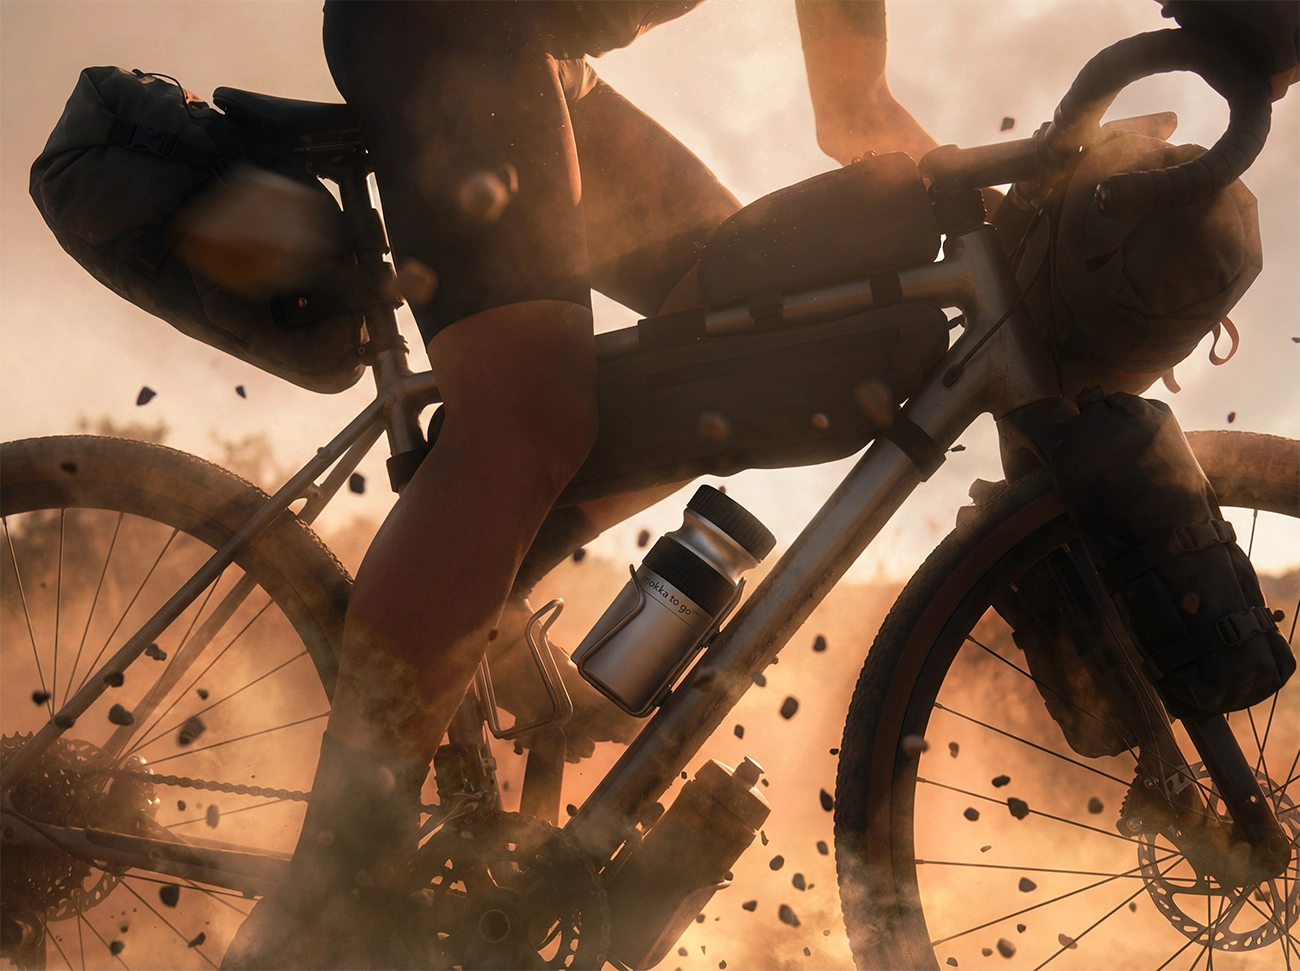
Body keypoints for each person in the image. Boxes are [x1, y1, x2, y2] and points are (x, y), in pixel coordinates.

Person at [222, 0, 1300, 966]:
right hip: (451, 27)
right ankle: (331, 890)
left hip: (539, 55)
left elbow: (851, 104)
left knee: (746, 351)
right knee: (524, 420)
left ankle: (481, 613)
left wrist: (1026, 202)